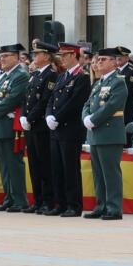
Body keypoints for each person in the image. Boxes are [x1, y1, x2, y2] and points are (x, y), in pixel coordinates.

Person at [46, 43, 91, 217]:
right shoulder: (62, 76)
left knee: (70, 168)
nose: (62, 58)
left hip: (70, 129)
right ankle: (61, 203)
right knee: (57, 168)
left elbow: (75, 104)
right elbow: (52, 99)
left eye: (65, 55)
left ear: (74, 56)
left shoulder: (82, 77)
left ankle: (74, 204)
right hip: (56, 129)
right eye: (61, 55)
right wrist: (49, 115)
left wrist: (57, 118)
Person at [82, 48, 128, 220]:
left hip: (109, 132)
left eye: (103, 59)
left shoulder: (118, 82)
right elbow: (87, 104)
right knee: (98, 173)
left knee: (110, 172)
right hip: (95, 133)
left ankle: (114, 208)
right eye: (98, 59)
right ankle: (101, 205)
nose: (99, 62)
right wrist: (86, 117)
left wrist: (93, 119)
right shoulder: (98, 83)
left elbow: (112, 105)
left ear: (114, 62)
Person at [0, 43, 30, 212]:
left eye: (6, 56)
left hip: (10, 125)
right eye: (1, 57)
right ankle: (9, 197)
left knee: (14, 164)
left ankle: (19, 199)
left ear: (17, 57)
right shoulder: (2, 76)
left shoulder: (21, 75)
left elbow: (12, 99)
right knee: (4, 165)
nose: (2, 59)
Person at [20, 41, 58, 215]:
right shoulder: (35, 75)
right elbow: (27, 97)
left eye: (38, 53)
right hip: (30, 126)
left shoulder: (51, 75)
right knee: (34, 165)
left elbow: (44, 101)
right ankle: (38, 200)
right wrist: (23, 116)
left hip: (41, 125)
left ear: (47, 56)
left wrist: (29, 117)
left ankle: (48, 201)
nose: (34, 56)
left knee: (44, 164)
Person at [116, 46, 133, 129]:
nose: (118, 58)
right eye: (117, 56)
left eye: (121, 56)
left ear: (127, 58)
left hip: (126, 109)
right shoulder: (115, 71)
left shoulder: (130, 72)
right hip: (116, 109)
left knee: (126, 138)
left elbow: (127, 91)